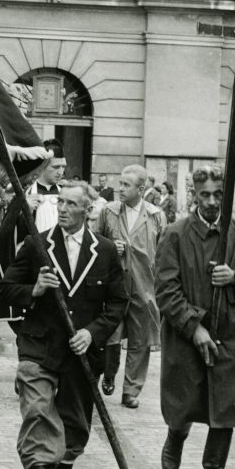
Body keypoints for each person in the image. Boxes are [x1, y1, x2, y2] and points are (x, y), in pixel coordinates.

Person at [0, 181, 127, 469]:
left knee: (75, 417)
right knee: (37, 410)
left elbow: (117, 304)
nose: (64, 209)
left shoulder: (107, 250)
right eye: (60, 202)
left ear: (87, 210)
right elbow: (4, 289)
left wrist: (92, 332)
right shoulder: (37, 245)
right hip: (39, 345)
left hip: (80, 351)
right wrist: (34, 290)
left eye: (72, 204)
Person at [155, 165, 235, 469]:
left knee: (227, 407)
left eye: (219, 195)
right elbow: (166, 290)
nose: (211, 202)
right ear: (194, 195)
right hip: (186, 334)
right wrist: (194, 327)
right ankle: (177, 433)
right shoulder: (175, 234)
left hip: (231, 332)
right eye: (204, 195)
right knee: (185, 399)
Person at [95, 164, 166, 408]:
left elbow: (165, 253)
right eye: (120, 183)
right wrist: (108, 246)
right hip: (113, 285)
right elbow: (93, 242)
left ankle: (131, 391)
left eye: (126, 185)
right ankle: (109, 372)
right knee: (110, 336)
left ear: (141, 188)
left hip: (144, 286)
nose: (120, 188)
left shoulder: (156, 215)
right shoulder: (109, 211)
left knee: (140, 340)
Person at [26, 139, 66, 232]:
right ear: (42, 166)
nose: (61, 172)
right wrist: (25, 212)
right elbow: (10, 233)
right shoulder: (26, 194)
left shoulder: (66, 194)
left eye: (63, 167)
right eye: (56, 167)